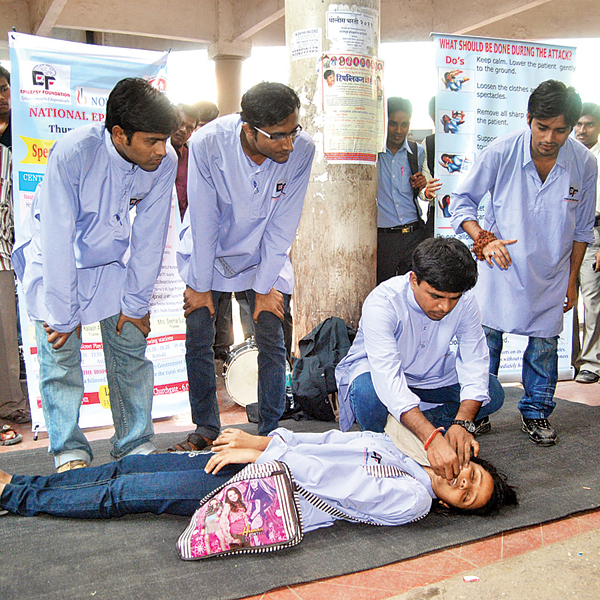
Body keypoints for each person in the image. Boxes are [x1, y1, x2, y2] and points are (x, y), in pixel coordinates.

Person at [12, 78, 180, 471]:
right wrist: (63, 313)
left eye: (166, 139)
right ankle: (69, 452)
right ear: (119, 134)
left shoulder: (164, 161)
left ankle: (134, 443)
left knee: (131, 345)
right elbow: (57, 234)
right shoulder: (74, 152)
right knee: (60, 355)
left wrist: (136, 305)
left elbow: (150, 235)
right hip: (56, 262)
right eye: (152, 141)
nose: (162, 150)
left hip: (108, 265)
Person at [450, 80, 597, 446]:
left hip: (552, 272)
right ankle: (478, 411)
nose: (550, 138)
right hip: (500, 269)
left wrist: (571, 281)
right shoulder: (501, 152)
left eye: (561, 130)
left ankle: (536, 412)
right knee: (486, 344)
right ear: (529, 118)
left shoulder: (584, 163)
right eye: (542, 127)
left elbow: (582, 230)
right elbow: (462, 202)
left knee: (544, 348)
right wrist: (483, 239)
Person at [174, 82, 315, 449]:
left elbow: (284, 222)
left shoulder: (302, 149)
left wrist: (265, 286)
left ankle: (269, 431)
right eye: (278, 136)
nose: (288, 144)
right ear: (249, 130)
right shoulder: (207, 144)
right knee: (199, 333)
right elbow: (204, 219)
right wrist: (200, 286)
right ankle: (206, 428)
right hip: (209, 252)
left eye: (293, 131)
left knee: (271, 333)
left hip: (264, 253)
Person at [0, 427, 517, 524]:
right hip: (263, 463)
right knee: (133, 465)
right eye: (474, 478)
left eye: (466, 498)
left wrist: (260, 453)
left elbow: (334, 482)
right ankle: (19, 488)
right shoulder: (403, 455)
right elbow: (328, 442)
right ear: (468, 461)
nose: (464, 485)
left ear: (448, 506)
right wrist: (264, 440)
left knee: (127, 492)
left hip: (261, 494)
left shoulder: (414, 501)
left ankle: (14, 494)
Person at [336, 237, 504, 483]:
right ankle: (389, 444)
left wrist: (463, 423)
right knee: (367, 394)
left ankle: (409, 432)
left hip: (432, 378)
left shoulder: (465, 301)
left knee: (493, 391)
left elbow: (474, 361)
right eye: (436, 296)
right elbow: (388, 380)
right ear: (414, 279)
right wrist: (432, 438)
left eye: (453, 298)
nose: (445, 307)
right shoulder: (383, 302)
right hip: (379, 379)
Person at [0, 65, 31, 430]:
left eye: (5, 88)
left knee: (10, 333)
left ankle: (11, 403)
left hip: (14, 248)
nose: (1, 96)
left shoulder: (24, 132)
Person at [377, 97, 429, 284]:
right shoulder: (373, 153)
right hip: (383, 239)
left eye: (404, 124)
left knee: (415, 288)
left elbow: (425, 190)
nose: (399, 130)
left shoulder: (417, 152)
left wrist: (422, 183)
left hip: (414, 234)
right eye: (393, 124)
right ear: (384, 122)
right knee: (384, 289)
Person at [572, 102, 600, 384]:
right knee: (564, 297)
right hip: (565, 234)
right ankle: (569, 360)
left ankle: (591, 362)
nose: (582, 130)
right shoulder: (566, 153)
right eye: (578, 124)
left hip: (594, 234)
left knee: (592, 300)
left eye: (589, 124)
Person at [171, 103, 199, 221]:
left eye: (189, 128)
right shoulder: (152, 154)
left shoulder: (193, 159)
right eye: (180, 124)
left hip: (181, 224)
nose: (183, 130)